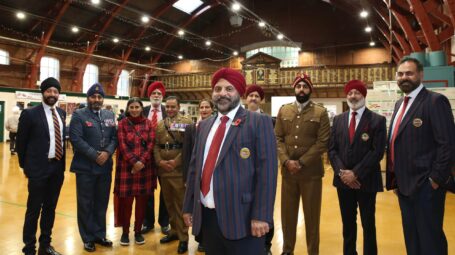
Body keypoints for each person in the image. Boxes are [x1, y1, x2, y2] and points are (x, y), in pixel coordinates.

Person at [183, 68, 278, 255]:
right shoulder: (204, 126)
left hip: (243, 217)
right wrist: (189, 206)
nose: (222, 93)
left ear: (240, 92)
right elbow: (194, 169)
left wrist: (261, 215)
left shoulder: (259, 122)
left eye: (229, 89)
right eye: (218, 89)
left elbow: (267, 173)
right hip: (208, 218)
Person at [386, 57, 455, 255]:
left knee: (430, 239)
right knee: (412, 238)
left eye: (409, 73)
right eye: (400, 74)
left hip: (426, 186)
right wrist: (395, 179)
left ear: (421, 75)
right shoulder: (400, 104)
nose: (404, 77)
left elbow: (448, 144)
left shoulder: (434, 101)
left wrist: (435, 179)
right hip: (404, 186)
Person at [328, 80, 386, 255]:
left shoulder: (377, 120)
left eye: (357, 93)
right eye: (350, 93)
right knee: (347, 222)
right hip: (343, 181)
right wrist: (343, 173)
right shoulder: (338, 120)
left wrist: (356, 174)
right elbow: (332, 149)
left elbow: (377, 152)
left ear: (364, 95)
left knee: (368, 223)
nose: (353, 96)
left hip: (366, 181)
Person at [275, 73, 330, 255]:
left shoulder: (320, 112)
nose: (301, 89)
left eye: (305, 86)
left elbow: (322, 142)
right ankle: (287, 250)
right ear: (294, 89)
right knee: (287, 216)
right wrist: (285, 161)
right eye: (298, 86)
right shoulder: (284, 110)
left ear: (310, 89)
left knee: (312, 217)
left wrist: (301, 162)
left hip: (311, 174)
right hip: (288, 174)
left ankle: (313, 251)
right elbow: (277, 139)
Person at [17, 77, 66, 255]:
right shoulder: (30, 114)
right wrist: (26, 167)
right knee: (33, 209)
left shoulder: (61, 113)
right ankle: (29, 248)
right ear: (43, 92)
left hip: (57, 168)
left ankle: (45, 245)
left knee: (50, 208)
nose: (52, 94)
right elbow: (21, 143)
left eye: (55, 91)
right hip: (38, 169)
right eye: (49, 91)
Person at [69, 83, 118, 252]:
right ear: (88, 98)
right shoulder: (79, 115)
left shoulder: (109, 114)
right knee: (85, 203)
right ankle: (87, 237)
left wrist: (107, 153)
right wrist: (95, 155)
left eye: (99, 97)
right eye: (93, 96)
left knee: (101, 203)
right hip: (85, 169)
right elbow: (76, 139)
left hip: (105, 168)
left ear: (103, 99)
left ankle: (99, 234)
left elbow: (114, 138)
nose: (96, 99)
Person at [114, 98, 156, 246]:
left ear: (141, 108)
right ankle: (125, 232)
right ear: (127, 108)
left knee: (142, 204)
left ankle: (138, 232)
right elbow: (122, 145)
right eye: (131, 107)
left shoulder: (149, 123)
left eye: (137, 107)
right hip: (127, 169)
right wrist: (134, 162)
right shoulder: (122, 124)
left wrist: (141, 162)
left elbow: (150, 145)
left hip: (145, 170)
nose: (134, 109)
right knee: (126, 204)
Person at [154, 96, 192, 254]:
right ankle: (174, 231)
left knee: (180, 204)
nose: (170, 109)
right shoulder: (160, 124)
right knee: (168, 203)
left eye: (173, 107)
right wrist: (159, 161)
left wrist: (176, 162)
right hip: (164, 170)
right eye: (167, 107)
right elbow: (156, 145)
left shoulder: (186, 122)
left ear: (178, 106)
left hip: (178, 170)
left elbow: (189, 146)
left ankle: (183, 238)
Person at [244, 84, 275, 255]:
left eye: (257, 96)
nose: (254, 98)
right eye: (251, 95)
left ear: (261, 100)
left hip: (262, 171)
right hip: (245, 173)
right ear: (246, 98)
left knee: (264, 208)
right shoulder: (238, 119)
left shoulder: (268, 120)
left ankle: (266, 245)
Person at [181, 98, 214, 253]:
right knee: (196, 207)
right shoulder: (191, 128)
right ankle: (200, 238)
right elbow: (187, 154)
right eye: (201, 107)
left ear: (212, 109)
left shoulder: (216, 126)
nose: (204, 110)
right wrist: (187, 178)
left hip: (209, 175)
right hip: (194, 175)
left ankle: (208, 237)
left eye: (207, 107)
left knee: (207, 207)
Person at [141, 81, 170, 235]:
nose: (156, 96)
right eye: (154, 93)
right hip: (145, 158)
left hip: (164, 157)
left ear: (162, 96)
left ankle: (164, 222)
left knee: (165, 191)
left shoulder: (168, 111)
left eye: (159, 93)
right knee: (146, 191)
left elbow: (180, 128)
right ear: (150, 96)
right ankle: (148, 222)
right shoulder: (142, 111)